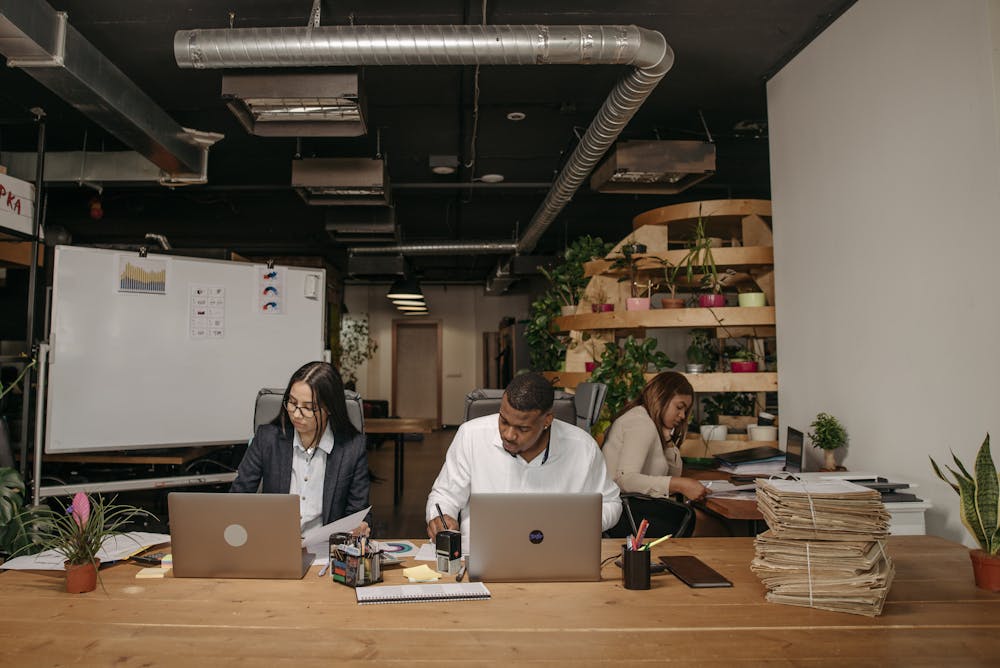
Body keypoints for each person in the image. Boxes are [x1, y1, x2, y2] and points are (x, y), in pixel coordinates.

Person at [426, 372, 621, 546]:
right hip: (483, 555)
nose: (509, 434)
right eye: (504, 421)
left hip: (558, 552)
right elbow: (444, 496)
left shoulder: (583, 447)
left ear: (547, 420)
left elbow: (611, 503)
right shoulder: (471, 435)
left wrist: (576, 525)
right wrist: (441, 518)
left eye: (523, 428)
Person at [231, 361, 370, 534]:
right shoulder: (268, 439)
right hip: (275, 543)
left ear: (330, 408)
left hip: (326, 550)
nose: (296, 414)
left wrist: (358, 527)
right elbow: (238, 499)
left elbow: (357, 512)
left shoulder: (352, 448)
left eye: (308, 407)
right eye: (292, 403)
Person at [601, 371, 708, 503]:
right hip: (627, 513)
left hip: (636, 507)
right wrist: (679, 484)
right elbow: (625, 480)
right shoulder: (640, 423)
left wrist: (667, 440)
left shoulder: (649, 422)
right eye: (679, 407)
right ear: (661, 398)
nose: (683, 416)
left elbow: (673, 475)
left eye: (685, 411)